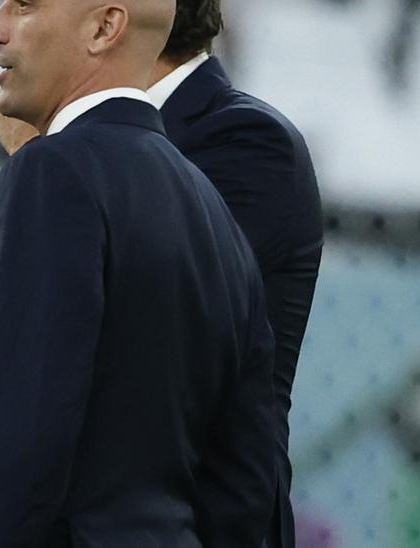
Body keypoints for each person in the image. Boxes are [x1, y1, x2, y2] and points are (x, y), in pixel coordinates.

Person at [0, 0, 277, 546]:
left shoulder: (50, 174)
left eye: (24, 6)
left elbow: (20, 459)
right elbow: (245, 484)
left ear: (104, 27)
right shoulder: (211, 208)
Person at [148, 2, 323, 546]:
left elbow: (136, 344)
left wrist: (43, 161)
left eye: (28, 6)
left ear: (109, 21)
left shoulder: (242, 141)